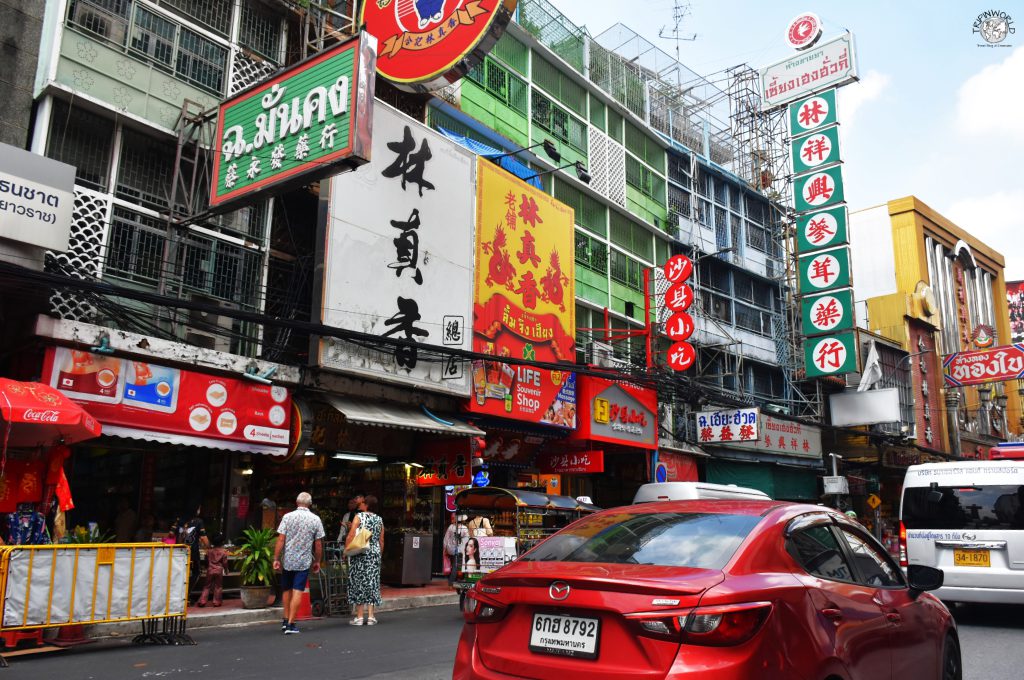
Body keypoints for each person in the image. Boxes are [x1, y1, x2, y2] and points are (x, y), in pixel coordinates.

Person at [273, 492, 325, 635]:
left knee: (286, 589)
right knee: (297, 590)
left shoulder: (287, 517)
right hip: (303, 561)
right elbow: (318, 544)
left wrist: (276, 558)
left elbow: (281, 540)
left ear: (297, 502)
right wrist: (317, 561)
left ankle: (285, 619)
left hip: (288, 559)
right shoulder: (315, 519)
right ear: (309, 504)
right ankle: (291, 623)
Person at [346, 495, 384, 626]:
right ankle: (372, 616)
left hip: (360, 551)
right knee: (372, 582)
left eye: (362, 503)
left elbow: (351, 534)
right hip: (374, 552)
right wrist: (379, 554)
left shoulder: (359, 517)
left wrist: (347, 549)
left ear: (366, 505)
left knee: (359, 582)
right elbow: (381, 540)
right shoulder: (379, 519)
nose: (360, 505)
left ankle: (360, 616)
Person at [198, 534, 229, 607]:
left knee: (207, 586)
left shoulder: (209, 551)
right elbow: (225, 563)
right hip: (219, 570)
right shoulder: (223, 552)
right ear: (222, 543)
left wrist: (206, 567)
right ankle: (217, 602)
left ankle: (202, 601)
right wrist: (226, 570)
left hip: (210, 569)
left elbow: (206, 561)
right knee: (218, 586)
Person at [443, 513, 469, 587]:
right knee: (455, 566)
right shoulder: (464, 528)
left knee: (451, 566)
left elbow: (446, 539)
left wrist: (444, 548)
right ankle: (451, 583)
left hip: (450, 549)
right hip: (459, 550)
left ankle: (452, 581)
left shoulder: (451, 527)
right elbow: (467, 540)